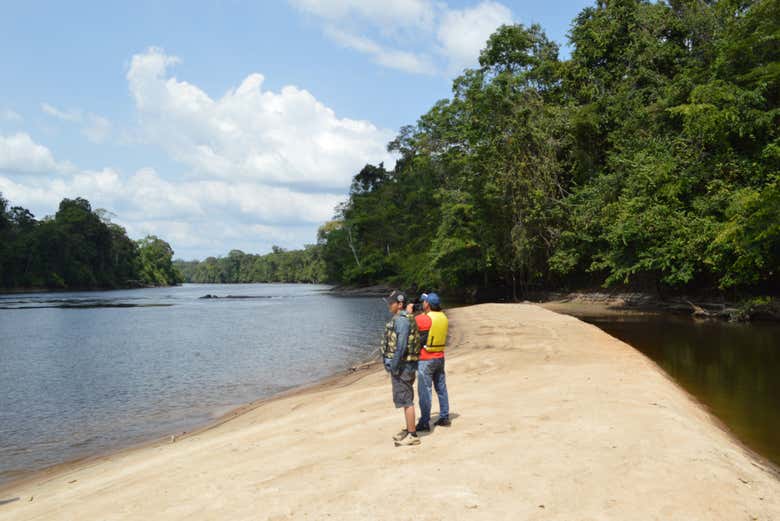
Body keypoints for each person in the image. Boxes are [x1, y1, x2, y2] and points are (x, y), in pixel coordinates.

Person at [382, 290, 422, 446]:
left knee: (406, 400)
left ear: (399, 304)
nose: (389, 305)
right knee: (406, 398)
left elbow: (401, 345)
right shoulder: (404, 318)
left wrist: (394, 366)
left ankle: (413, 435)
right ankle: (409, 428)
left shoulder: (402, 321)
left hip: (403, 366)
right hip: (406, 365)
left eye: (391, 303)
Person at [415, 292, 451, 431]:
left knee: (425, 391)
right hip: (440, 357)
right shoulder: (444, 317)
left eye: (424, 302)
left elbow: (410, 326)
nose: (423, 303)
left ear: (427, 304)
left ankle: (424, 421)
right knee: (441, 388)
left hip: (426, 358)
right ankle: (444, 416)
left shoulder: (424, 318)